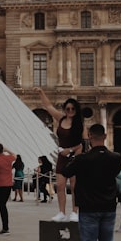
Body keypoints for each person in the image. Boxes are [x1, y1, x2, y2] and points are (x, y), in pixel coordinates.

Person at [62, 123, 121, 241]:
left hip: (88, 209)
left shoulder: (82, 159)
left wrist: (71, 153)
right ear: (104, 136)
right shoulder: (116, 158)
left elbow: (65, 172)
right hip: (109, 208)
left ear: (89, 137)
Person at [37, 88, 85, 221]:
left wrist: (69, 150)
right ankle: (61, 212)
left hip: (75, 157)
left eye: (72, 109)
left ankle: (75, 212)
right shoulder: (61, 118)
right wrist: (41, 92)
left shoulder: (79, 124)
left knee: (75, 187)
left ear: (76, 110)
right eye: (67, 108)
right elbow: (48, 106)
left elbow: (82, 143)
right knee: (60, 186)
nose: (69, 111)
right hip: (62, 157)